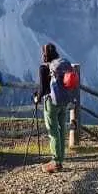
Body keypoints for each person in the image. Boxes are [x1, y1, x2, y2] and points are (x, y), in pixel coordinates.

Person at [34, 42, 76, 173]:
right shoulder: (62, 64)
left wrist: (37, 98)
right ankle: (60, 159)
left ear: (45, 55)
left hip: (51, 102)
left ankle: (55, 161)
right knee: (61, 128)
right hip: (64, 101)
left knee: (53, 131)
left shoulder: (44, 68)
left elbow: (42, 89)